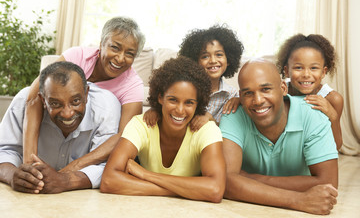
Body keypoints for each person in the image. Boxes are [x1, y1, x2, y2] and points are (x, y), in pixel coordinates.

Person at [23, 16, 146, 171]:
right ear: (101, 44)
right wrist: (29, 160)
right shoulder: (76, 56)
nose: (120, 58)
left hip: (94, 148)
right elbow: (34, 96)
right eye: (115, 48)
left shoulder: (133, 86)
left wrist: (71, 168)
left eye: (129, 54)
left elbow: (125, 135)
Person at [219, 59, 338, 215]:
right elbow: (225, 181)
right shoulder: (232, 115)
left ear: (283, 88)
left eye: (266, 89)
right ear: (240, 96)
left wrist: (247, 178)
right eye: (248, 93)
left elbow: (328, 182)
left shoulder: (313, 114)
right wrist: (298, 200)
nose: (258, 100)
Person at [100, 56, 226, 203]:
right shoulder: (142, 124)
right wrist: (185, 190)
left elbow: (215, 190)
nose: (180, 110)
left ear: (198, 104)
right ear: (160, 97)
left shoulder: (207, 130)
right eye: (173, 99)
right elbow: (109, 181)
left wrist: (146, 175)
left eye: (189, 103)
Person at [0, 61, 121, 193]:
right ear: (43, 100)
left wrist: (66, 180)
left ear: (86, 94)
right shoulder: (23, 102)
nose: (67, 114)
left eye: (75, 101)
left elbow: (108, 164)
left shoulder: (106, 108)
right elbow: (5, 150)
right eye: (55, 104)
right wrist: (12, 175)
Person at [144, 24, 244, 130]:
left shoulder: (231, 95)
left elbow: (227, 132)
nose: (213, 61)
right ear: (195, 61)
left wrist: (239, 100)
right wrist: (155, 110)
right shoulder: (184, 87)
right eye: (205, 56)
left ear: (229, 59)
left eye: (219, 55)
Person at [276, 34, 343, 150]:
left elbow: (336, 145)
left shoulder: (333, 99)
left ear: (323, 72)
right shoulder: (279, 91)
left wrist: (333, 115)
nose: (306, 75)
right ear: (286, 71)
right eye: (298, 68)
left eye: (313, 68)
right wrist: (239, 100)